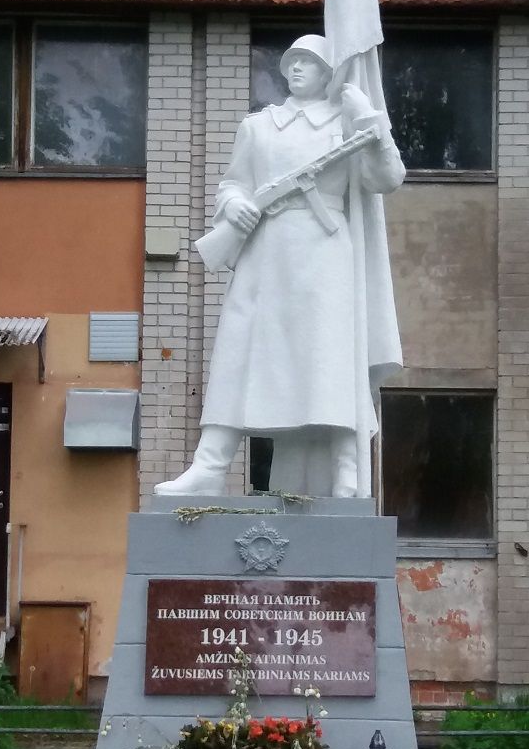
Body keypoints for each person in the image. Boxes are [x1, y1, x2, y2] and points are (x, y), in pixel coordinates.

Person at [154, 34, 405, 498]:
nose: (297, 69)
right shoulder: (260, 126)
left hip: (326, 252)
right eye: (292, 61)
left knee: (331, 357)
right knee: (239, 352)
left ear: (329, 72)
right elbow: (232, 184)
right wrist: (233, 208)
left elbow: (387, 178)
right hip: (266, 251)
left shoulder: (345, 126)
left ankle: (347, 470)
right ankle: (210, 465)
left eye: (309, 62)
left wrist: (368, 117)